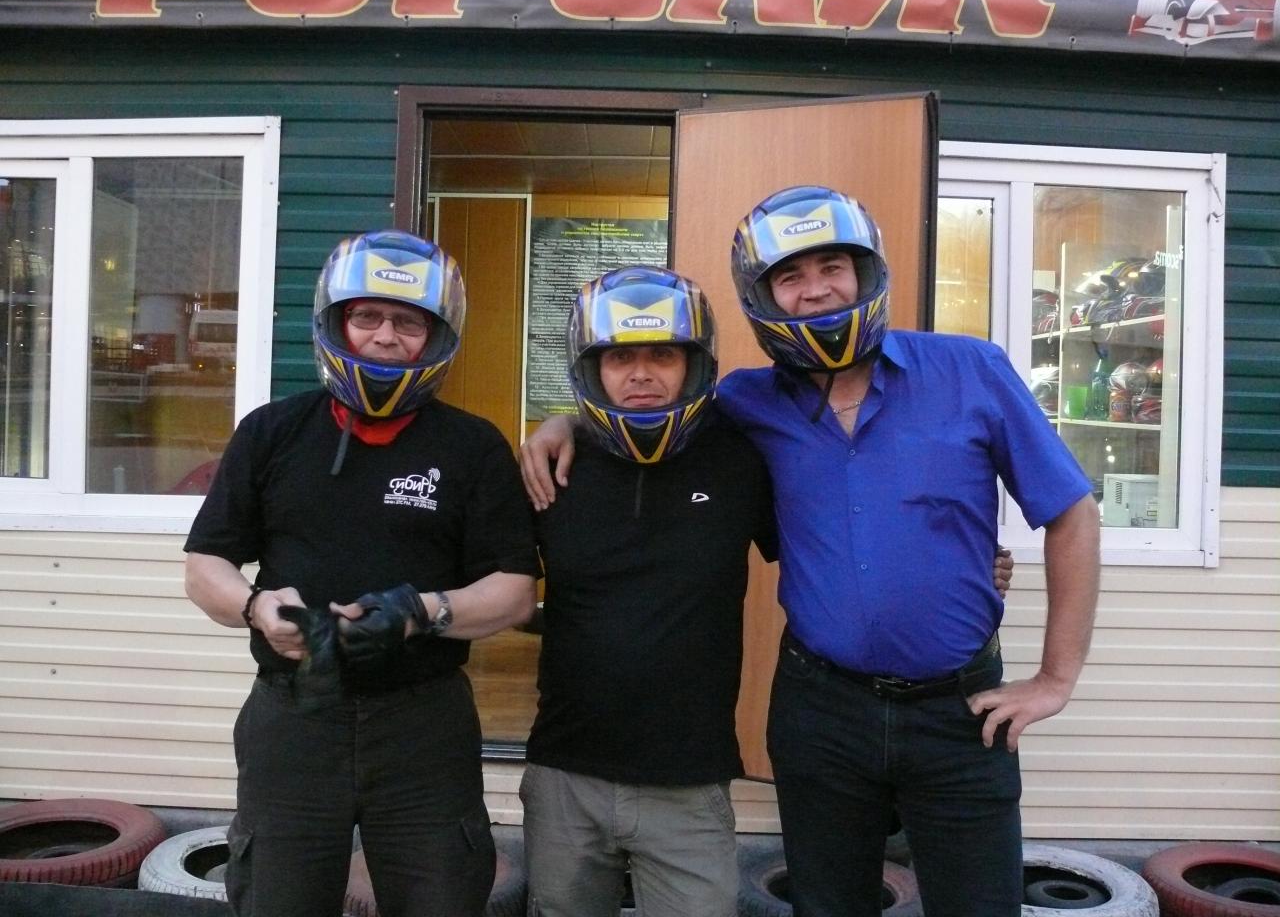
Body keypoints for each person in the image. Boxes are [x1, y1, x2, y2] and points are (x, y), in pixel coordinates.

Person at [520, 186, 1098, 917]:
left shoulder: (971, 370)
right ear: (763, 296)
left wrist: (1055, 678)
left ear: (865, 272)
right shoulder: (746, 403)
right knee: (826, 905)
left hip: (959, 710)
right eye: (790, 276)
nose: (815, 289)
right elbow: (646, 404)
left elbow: (1072, 513)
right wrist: (563, 425)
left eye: (832, 266)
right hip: (822, 710)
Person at [184, 230, 539, 917]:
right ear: (335, 322)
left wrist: (420, 612)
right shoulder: (270, 432)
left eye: (408, 322)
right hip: (293, 717)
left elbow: (515, 590)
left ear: (437, 337)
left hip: (424, 725)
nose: (384, 337)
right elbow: (205, 566)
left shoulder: (472, 446)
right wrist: (258, 608)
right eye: (367, 316)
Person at [521, 265, 777, 917]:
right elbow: (486, 577)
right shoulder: (551, 467)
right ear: (591, 367)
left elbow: (837, 548)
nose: (640, 374)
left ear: (694, 363)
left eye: (662, 355)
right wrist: (558, 423)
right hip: (566, 777)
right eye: (620, 357)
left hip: (688, 784)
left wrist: (965, 559)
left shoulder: (744, 458)